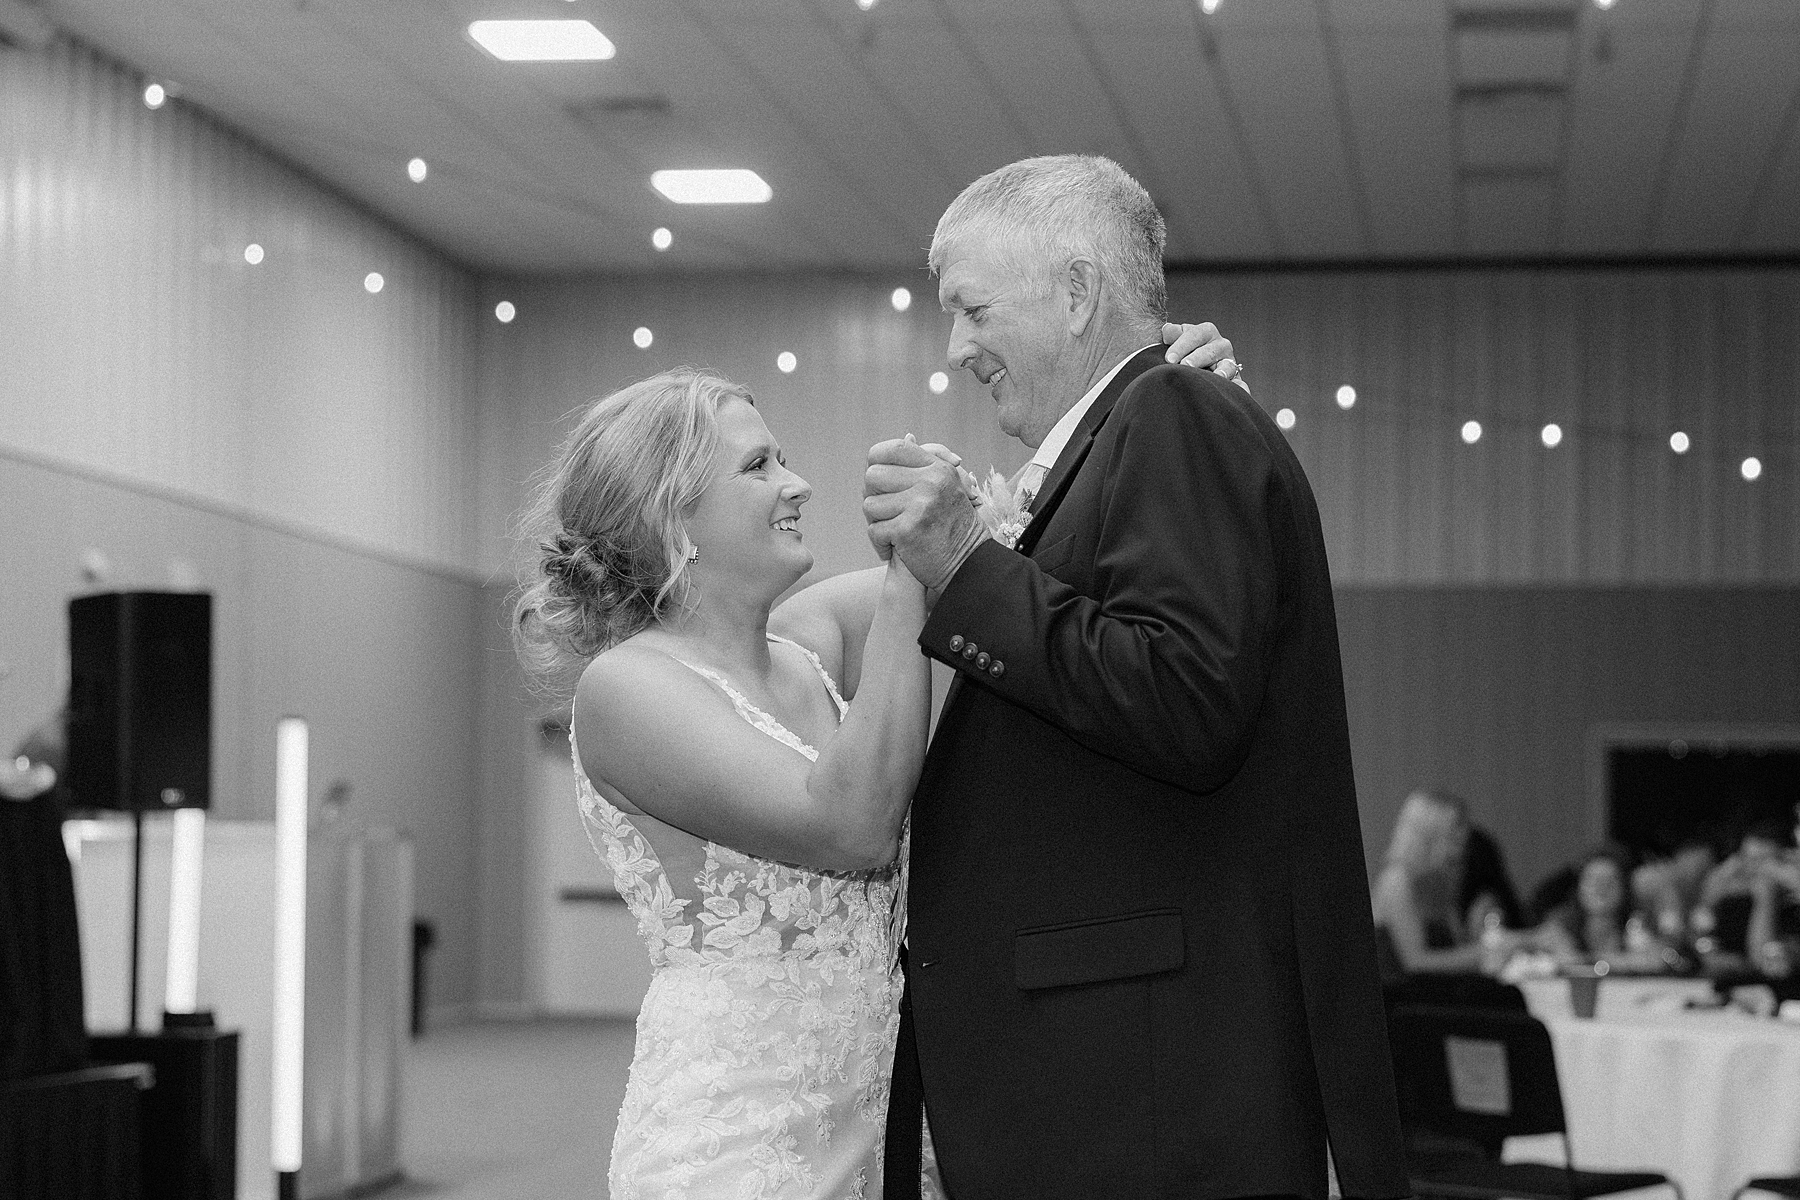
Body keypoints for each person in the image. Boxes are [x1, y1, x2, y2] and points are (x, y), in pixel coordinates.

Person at [515, 325, 1243, 1196]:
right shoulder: (625, 689)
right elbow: (852, 824)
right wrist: (909, 573)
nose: (799, 484)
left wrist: (1154, 401)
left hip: (884, 1132)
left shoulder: (807, 640)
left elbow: (1019, 564)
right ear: (672, 520)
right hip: (740, 1145)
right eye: (758, 468)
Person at [864, 155, 1408, 1200]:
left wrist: (966, 568)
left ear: (1075, 295)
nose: (956, 348)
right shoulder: (1134, 429)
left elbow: (1183, 698)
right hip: (1131, 1070)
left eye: (972, 310)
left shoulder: (1174, 415)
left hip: (1148, 1085)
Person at [1374, 789, 1524, 975]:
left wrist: (1475, 924)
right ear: (1427, 835)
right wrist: (1487, 951)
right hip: (1405, 997)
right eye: (1454, 831)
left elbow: (1457, 948)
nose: (1463, 837)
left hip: (1439, 991)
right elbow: (1416, 962)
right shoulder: (1397, 881)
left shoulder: (1441, 880)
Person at [1535, 844, 1670, 972]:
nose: (1600, 889)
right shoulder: (1562, 923)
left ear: (1625, 888)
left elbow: (1657, 960)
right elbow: (1523, 943)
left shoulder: (1636, 924)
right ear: (1578, 888)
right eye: (1592, 880)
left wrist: (1586, 961)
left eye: (1610, 881)